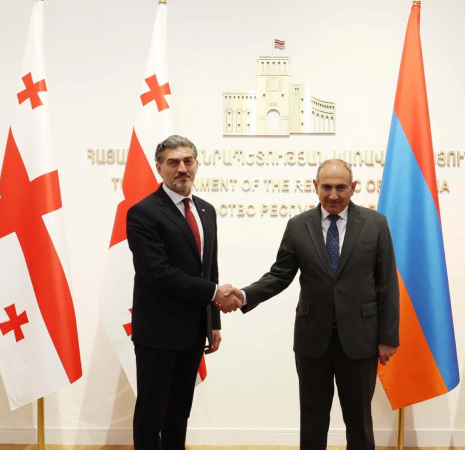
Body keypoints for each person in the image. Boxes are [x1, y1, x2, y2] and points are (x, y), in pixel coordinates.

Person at [235, 159, 399, 450]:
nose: (333, 195)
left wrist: (388, 337)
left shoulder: (375, 224)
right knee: (312, 421)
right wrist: (245, 295)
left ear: (353, 187)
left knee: (359, 422)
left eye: (341, 187)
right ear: (315, 186)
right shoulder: (298, 226)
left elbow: (387, 284)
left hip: (360, 340)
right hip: (312, 340)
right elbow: (280, 275)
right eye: (326, 187)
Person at [126, 135, 241, 449]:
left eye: (188, 161)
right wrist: (214, 293)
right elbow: (158, 272)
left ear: (197, 164)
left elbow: (209, 268)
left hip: (193, 331)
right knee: (151, 413)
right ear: (159, 167)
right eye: (173, 162)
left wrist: (213, 322)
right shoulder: (143, 212)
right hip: (157, 333)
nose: (182, 169)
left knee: (179, 413)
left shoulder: (206, 211)